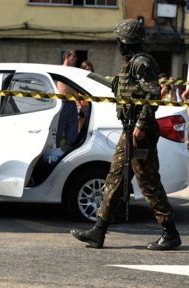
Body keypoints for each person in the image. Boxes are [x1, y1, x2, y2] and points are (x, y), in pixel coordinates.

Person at [70, 19, 181, 251]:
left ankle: (170, 233)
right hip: (129, 128)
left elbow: (152, 95)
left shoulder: (142, 62)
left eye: (120, 40)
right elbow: (129, 91)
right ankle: (98, 231)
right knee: (115, 178)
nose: (118, 43)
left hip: (142, 131)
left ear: (127, 41)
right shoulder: (130, 64)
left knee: (148, 182)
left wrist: (140, 125)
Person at [55, 50, 79, 149]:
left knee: (72, 131)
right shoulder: (62, 69)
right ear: (66, 57)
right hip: (63, 103)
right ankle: (55, 150)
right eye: (73, 56)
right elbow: (65, 88)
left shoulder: (73, 70)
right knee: (58, 130)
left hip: (72, 103)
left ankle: (69, 151)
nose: (75, 59)